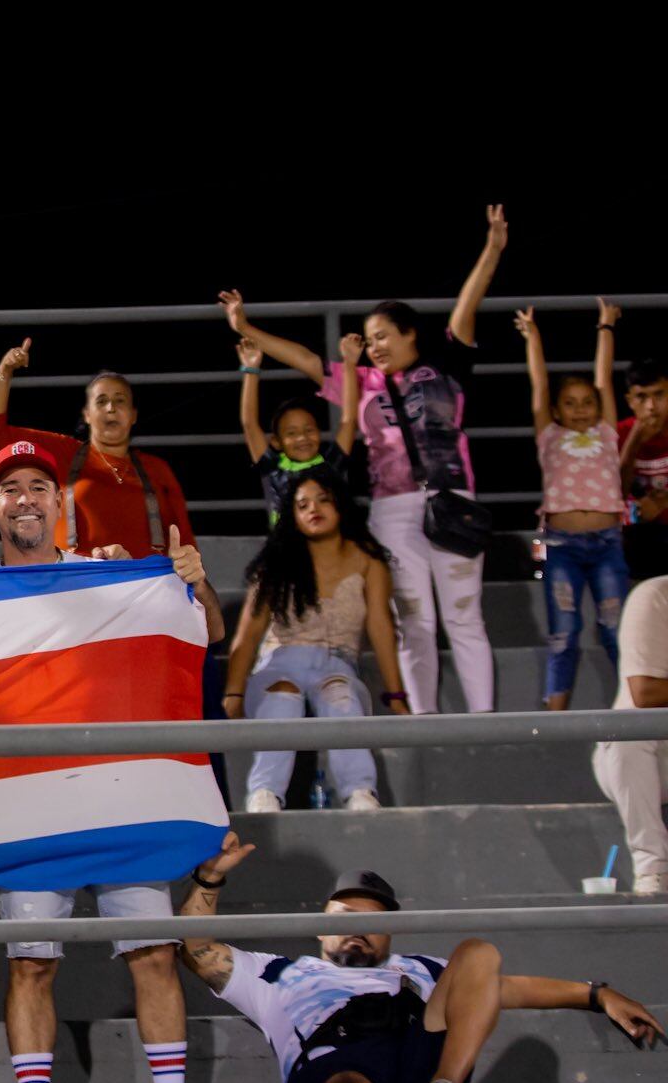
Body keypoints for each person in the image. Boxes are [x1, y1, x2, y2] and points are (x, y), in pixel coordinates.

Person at [178, 832, 662, 1083]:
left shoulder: (422, 968)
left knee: (478, 954)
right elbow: (196, 950)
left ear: (391, 933)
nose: (359, 929)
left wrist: (598, 995)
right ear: (320, 929)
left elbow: (504, 987)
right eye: (346, 917)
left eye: (375, 921)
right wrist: (209, 878)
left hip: (414, 1061)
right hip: (335, 1073)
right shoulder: (279, 974)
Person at [0, 439, 216, 1083]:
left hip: (118, 791)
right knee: (31, 960)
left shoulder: (111, 573)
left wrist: (190, 581)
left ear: (61, 503)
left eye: (39, 486)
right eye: (11, 486)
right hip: (27, 801)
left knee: (152, 952)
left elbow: (207, 630)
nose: (26, 497)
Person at [221, 205, 506, 714]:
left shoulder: (446, 365)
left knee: (464, 616)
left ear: (409, 334)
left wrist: (493, 249)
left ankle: (482, 718)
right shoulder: (362, 384)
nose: (373, 346)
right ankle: (424, 719)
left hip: (453, 500)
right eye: (368, 339)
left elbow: (468, 303)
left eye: (381, 336)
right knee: (413, 619)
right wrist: (246, 326)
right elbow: (306, 360)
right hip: (393, 509)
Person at [224, 469, 408, 812]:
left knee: (340, 695)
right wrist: (234, 692)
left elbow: (382, 628)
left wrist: (396, 695)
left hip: (338, 664)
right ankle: (264, 795)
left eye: (323, 500)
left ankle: (359, 793)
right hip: (280, 662)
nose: (314, 509)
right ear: (292, 515)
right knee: (283, 697)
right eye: (303, 504)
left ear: (340, 506)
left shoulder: (369, 560)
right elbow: (248, 633)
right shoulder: (277, 562)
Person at [0, 340, 198, 560]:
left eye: (119, 401)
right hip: (76, 584)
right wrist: (5, 371)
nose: (111, 408)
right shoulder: (66, 453)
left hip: (141, 585)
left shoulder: (157, 469)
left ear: (133, 415)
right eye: (101, 401)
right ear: (87, 415)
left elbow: (186, 544)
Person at [517, 301, 630, 710]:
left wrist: (605, 326)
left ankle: (633, 703)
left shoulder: (606, 433)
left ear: (599, 408)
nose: (580, 408)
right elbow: (540, 386)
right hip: (559, 545)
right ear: (558, 410)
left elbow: (604, 379)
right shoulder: (549, 435)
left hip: (607, 544)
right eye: (571, 402)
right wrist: (534, 337)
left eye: (587, 402)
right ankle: (555, 707)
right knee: (564, 628)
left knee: (615, 628)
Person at [596, 575, 668, 895]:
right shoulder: (655, 596)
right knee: (628, 731)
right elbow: (644, 692)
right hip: (651, 751)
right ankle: (653, 868)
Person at [238, 335, 359, 526]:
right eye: (291, 433)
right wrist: (251, 369)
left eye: (309, 430)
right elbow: (249, 423)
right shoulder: (273, 468)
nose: (302, 437)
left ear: (319, 433)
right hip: (286, 551)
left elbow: (349, 419)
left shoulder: (331, 465)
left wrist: (350, 363)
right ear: (276, 442)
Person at [618, 357, 668, 582]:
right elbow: (614, 492)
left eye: (659, 395)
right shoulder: (621, 433)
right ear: (630, 400)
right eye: (642, 397)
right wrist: (634, 443)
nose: (651, 406)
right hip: (636, 533)